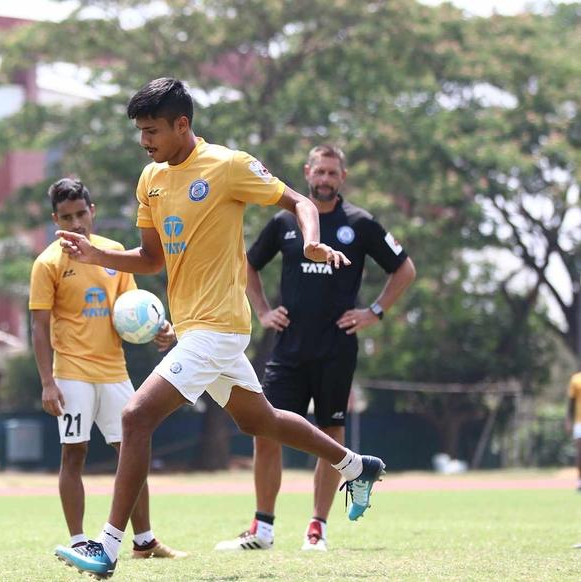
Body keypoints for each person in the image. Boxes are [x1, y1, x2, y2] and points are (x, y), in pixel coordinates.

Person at [52, 78, 387, 579]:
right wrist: (97, 253)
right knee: (262, 421)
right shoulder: (151, 179)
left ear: (181, 124)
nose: (145, 141)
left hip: (220, 326)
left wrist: (312, 241)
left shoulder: (228, 165)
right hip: (195, 330)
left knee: (136, 417)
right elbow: (149, 258)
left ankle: (107, 547)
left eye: (152, 131)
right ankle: (356, 466)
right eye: (140, 132)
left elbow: (299, 202)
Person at [215, 145, 416, 553]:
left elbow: (404, 269)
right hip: (287, 348)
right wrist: (264, 311)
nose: (324, 179)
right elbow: (247, 264)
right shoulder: (284, 220)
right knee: (265, 429)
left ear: (342, 177)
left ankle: (317, 529)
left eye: (332, 173)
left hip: (336, 348)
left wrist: (374, 312)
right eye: (319, 172)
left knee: (330, 432)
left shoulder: (360, 223)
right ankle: (263, 528)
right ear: (307, 172)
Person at [29, 178, 187, 561]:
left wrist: (158, 329)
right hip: (71, 374)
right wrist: (48, 382)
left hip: (115, 371)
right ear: (56, 220)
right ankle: (80, 539)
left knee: (133, 450)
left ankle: (145, 540)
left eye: (81, 214)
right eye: (67, 217)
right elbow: (39, 326)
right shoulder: (47, 263)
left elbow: (130, 312)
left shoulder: (114, 254)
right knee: (74, 454)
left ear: (92, 210)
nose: (77, 223)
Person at [568, 370, 581, 491]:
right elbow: (571, 402)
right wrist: (568, 420)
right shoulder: (576, 379)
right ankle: (579, 480)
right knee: (579, 452)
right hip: (579, 421)